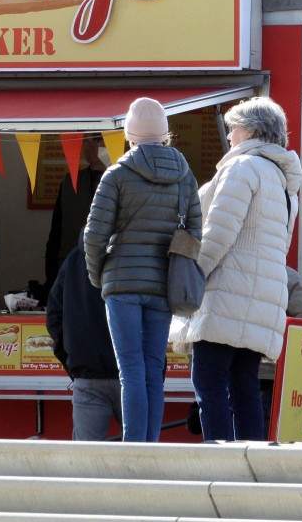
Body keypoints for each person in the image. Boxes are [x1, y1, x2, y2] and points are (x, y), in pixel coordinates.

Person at [171, 97, 302, 442]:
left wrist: (192, 279)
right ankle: (249, 462)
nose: (230, 136)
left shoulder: (242, 167)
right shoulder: (285, 183)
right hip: (263, 300)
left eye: (234, 128)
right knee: (245, 384)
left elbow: (218, 232)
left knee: (209, 384)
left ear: (251, 131)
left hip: (227, 293)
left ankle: (219, 460)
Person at [84, 97, 200, 442]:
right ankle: (150, 448)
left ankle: (133, 450)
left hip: (121, 286)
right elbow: (196, 232)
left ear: (129, 135)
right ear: (166, 135)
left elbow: (93, 236)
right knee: (153, 371)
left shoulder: (116, 175)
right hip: (163, 286)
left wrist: (98, 275)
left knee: (130, 371)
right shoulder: (184, 175)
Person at [47, 240, 121, 440]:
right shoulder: (137, 254)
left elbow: (54, 316)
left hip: (88, 374)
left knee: (84, 462)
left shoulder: (74, 258)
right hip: (134, 373)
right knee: (143, 459)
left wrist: (73, 361)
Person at [43, 133, 109, 300]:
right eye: (85, 141)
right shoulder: (70, 182)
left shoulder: (123, 181)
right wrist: (51, 277)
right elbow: (56, 232)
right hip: (72, 268)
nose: (89, 146)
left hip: (110, 271)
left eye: (96, 140)